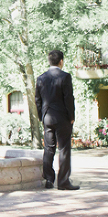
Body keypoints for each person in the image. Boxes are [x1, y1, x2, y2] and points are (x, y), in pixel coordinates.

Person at [35, 50, 79, 191]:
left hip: (47, 117)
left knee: (49, 148)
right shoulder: (65, 76)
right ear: (61, 61)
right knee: (64, 149)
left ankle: (49, 179)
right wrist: (71, 117)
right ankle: (63, 182)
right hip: (62, 117)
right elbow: (68, 98)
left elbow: (37, 100)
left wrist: (41, 116)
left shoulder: (41, 78)